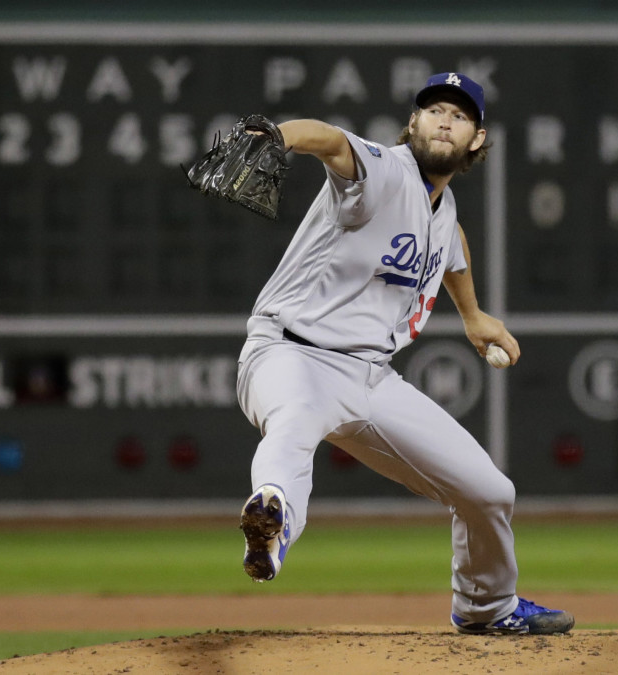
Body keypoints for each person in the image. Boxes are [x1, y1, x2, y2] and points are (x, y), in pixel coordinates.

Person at [235, 73, 574, 635]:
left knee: (489, 493)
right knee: (292, 426)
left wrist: (471, 314)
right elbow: (331, 140)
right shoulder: (384, 169)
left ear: (477, 139)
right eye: (434, 109)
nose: (445, 119)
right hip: (289, 355)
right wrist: (279, 135)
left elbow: (451, 240)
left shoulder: (440, 205)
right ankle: (272, 521)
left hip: (371, 378)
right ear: (412, 123)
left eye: (459, 116)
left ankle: (486, 608)